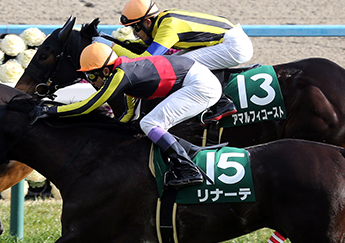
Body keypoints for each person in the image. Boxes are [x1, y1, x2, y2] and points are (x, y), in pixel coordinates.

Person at [31, 41, 221, 189]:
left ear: (106, 70)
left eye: (91, 76)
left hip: (200, 85)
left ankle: (187, 169)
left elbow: (88, 106)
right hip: (196, 79)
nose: (91, 82)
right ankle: (188, 152)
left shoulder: (121, 74)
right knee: (147, 123)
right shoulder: (126, 70)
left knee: (150, 123)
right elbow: (130, 113)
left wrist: (50, 110)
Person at [119, 0, 254, 124]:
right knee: (176, 60)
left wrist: (114, 47)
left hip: (235, 46)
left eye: (136, 27)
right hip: (228, 40)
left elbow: (146, 59)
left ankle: (222, 103)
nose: (135, 33)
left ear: (148, 22)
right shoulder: (163, 20)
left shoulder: (168, 27)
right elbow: (153, 47)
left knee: (181, 66)